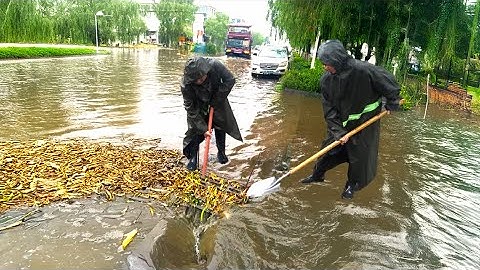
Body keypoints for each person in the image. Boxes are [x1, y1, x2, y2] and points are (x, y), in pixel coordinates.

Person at [301, 40, 402, 199]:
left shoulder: (364, 70)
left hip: (365, 123)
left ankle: (351, 185)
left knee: (359, 158)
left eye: (327, 63)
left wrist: (392, 102)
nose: (325, 67)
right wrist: (339, 132)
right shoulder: (326, 81)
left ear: (336, 60)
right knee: (327, 151)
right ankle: (317, 175)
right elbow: (329, 109)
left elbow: (389, 83)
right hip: (340, 124)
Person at [180, 57, 243, 171]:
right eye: (195, 80)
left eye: (200, 78)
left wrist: (217, 98)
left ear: (206, 71)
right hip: (198, 105)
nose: (198, 81)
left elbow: (230, 80)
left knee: (220, 124)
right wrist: (203, 129)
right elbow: (190, 109)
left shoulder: (215, 65)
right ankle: (193, 157)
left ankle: (221, 152)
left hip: (218, 98)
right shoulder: (186, 84)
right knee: (194, 130)